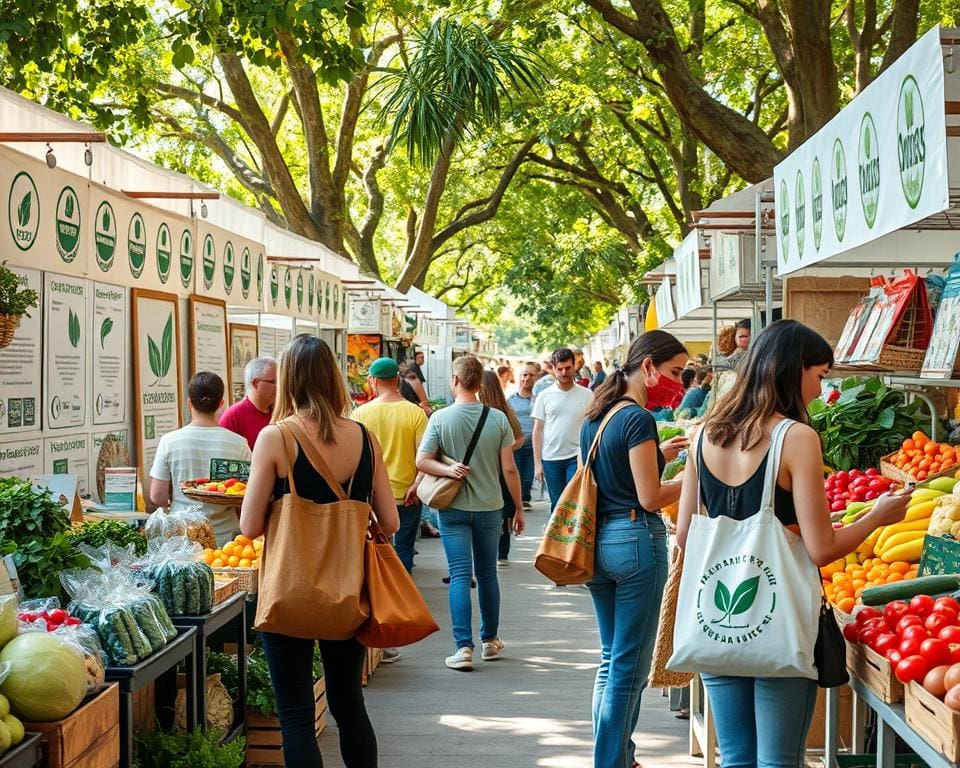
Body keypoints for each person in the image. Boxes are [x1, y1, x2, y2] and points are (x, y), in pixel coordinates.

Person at [676, 320, 910, 768]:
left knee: (737, 758)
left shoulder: (704, 433)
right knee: (780, 761)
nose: (820, 391)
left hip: (716, 621)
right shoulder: (797, 438)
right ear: (792, 370)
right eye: (819, 376)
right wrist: (877, 516)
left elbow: (687, 534)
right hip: (777, 620)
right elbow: (822, 548)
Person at [240, 335, 399, 768]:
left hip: (288, 593)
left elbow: (250, 525)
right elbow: (391, 523)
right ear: (332, 377)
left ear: (288, 380)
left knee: (294, 714)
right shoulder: (364, 439)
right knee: (349, 706)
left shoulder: (276, 438)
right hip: (347, 593)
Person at [579, 331, 689, 768]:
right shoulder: (638, 418)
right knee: (629, 669)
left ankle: (619, 755)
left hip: (597, 543)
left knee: (611, 662)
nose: (678, 382)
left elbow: (614, 474)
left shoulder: (597, 413)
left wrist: (658, 454)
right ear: (647, 367)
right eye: (675, 372)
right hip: (636, 543)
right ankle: (612, 762)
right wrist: (695, 477)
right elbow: (649, 497)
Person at [416, 356, 523, 671]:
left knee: (461, 575)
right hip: (490, 507)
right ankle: (490, 640)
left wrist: (448, 469)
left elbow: (422, 461)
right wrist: (517, 507)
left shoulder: (440, 418)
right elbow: (509, 469)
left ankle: (463, 649)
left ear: (455, 381)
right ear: (479, 383)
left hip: (453, 509)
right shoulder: (498, 419)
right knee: (488, 574)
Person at [149, 372, 252, 546]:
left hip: (181, 536)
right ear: (221, 404)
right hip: (227, 541)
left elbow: (157, 496)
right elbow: (248, 494)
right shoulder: (239, 444)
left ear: (189, 403)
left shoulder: (169, 441)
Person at [353, 357, 428, 574]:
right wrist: (417, 484)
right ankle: (403, 596)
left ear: (372, 380)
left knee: (375, 546)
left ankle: (379, 595)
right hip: (408, 493)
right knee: (404, 548)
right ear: (397, 379)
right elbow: (425, 457)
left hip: (371, 495)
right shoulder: (416, 413)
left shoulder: (359, 414)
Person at [532, 348, 593, 511]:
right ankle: (555, 536)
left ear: (574, 367)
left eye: (568, 368)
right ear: (553, 368)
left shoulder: (587, 395)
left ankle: (574, 536)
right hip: (551, 458)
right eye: (560, 369)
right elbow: (537, 431)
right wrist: (537, 464)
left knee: (574, 502)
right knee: (558, 504)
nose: (564, 372)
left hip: (577, 456)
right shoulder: (544, 396)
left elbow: (593, 426)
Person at [480, 370, 525, 567]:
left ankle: (484, 553)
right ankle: (502, 554)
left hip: (482, 468)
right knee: (504, 513)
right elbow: (521, 438)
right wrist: (505, 449)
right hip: (502, 469)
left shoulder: (474, 410)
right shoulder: (506, 411)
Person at [219, 357, 277, 449]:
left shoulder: (279, 413)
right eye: (274, 382)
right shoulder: (232, 417)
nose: (279, 387)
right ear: (256, 383)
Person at [507, 362, 537, 511]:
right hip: (515, 443)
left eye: (531, 375)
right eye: (524, 374)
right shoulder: (511, 399)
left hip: (533, 444)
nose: (527, 378)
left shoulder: (538, 399)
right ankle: (517, 499)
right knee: (516, 471)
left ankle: (525, 498)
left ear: (536, 378)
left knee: (528, 476)